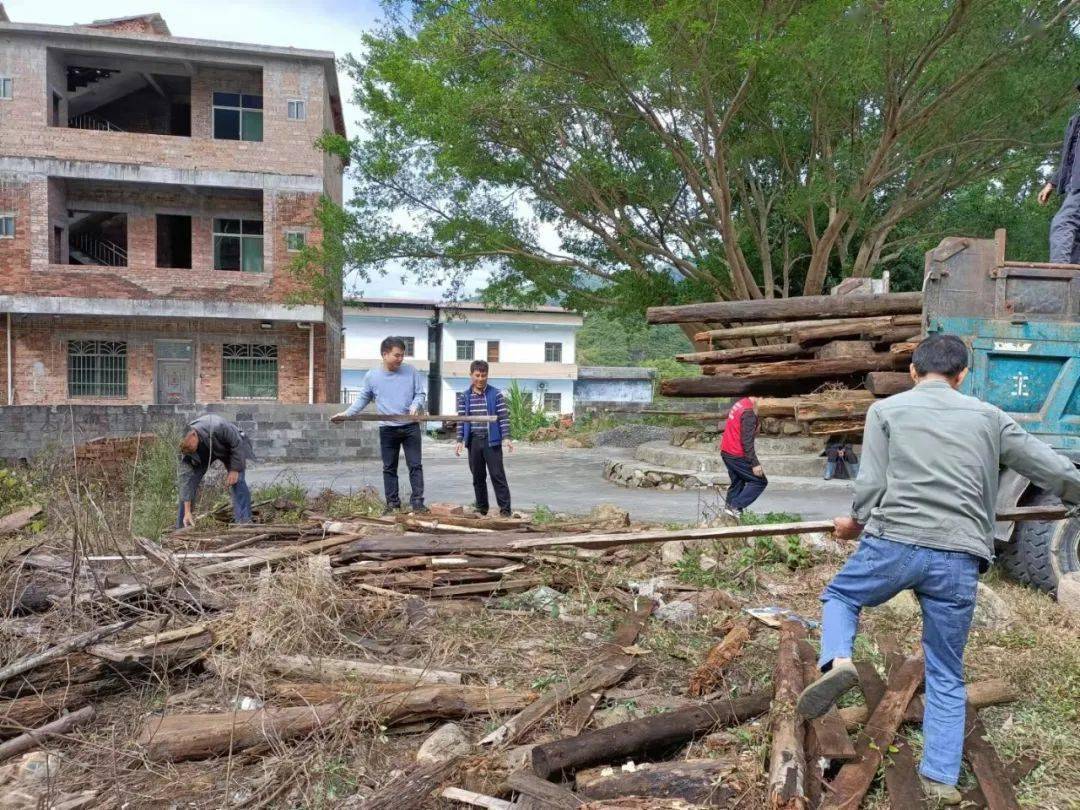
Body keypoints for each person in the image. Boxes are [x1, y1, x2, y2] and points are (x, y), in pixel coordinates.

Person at [797, 334, 1080, 806]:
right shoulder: (991, 418)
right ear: (963, 374)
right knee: (946, 670)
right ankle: (940, 778)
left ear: (912, 371)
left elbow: (871, 483)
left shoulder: (886, 412)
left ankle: (838, 662)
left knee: (842, 598)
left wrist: (855, 524)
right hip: (958, 555)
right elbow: (1052, 468)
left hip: (895, 543)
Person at [331, 336, 428, 514]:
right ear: (385, 354)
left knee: (415, 465)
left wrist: (415, 406)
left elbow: (420, 394)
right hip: (387, 428)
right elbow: (363, 399)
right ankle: (392, 504)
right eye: (397, 355)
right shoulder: (372, 376)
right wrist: (346, 414)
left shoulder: (411, 371)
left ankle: (418, 503)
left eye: (402, 355)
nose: (400, 359)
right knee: (389, 468)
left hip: (410, 427)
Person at [454, 360, 514, 517]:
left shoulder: (495, 394)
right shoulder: (465, 397)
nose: (480, 379)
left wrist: (506, 437)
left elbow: (503, 417)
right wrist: (460, 440)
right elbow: (462, 419)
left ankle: (505, 510)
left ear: (488, 375)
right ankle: (482, 508)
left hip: (491, 441)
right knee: (478, 476)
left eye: (484, 375)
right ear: (471, 375)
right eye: (477, 375)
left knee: (497, 475)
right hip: (473, 441)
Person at [177, 413, 253, 528]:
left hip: (232, 447)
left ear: (193, 434)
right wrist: (187, 511)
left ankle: (244, 522)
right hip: (205, 448)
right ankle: (183, 524)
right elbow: (186, 481)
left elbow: (236, 444)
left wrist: (235, 469)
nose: (188, 450)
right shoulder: (188, 450)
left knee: (238, 480)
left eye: (188, 447)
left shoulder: (218, 426)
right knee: (190, 481)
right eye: (185, 449)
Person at [1038, 80, 1080, 263]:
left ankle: (1060, 280)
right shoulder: (1075, 121)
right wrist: (1052, 183)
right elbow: (1068, 157)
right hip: (1073, 185)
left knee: (1063, 224)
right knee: (1075, 238)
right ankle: (1073, 286)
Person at [719, 395, 766, 519]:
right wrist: (754, 463)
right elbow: (747, 441)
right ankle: (734, 506)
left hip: (726, 451)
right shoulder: (749, 413)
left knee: (738, 483)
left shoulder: (742, 403)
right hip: (736, 454)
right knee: (759, 482)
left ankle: (728, 517)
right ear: (760, 398)